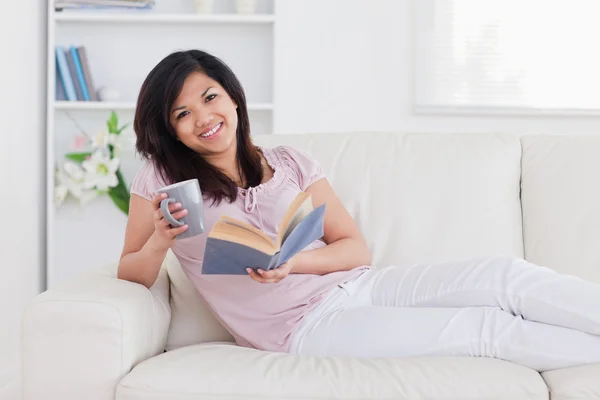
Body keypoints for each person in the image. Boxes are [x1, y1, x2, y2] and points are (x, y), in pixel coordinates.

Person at [118, 49, 600, 372]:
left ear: (233, 98)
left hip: (359, 286)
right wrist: (161, 239)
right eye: (182, 113)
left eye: (210, 97)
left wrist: (293, 261)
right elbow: (130, 272)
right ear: (171, 129)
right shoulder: (163, 180)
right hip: (305, 328)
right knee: (484, 329)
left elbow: (354, 249)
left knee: (504, 276)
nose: (204, 118)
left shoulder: (290, 163)